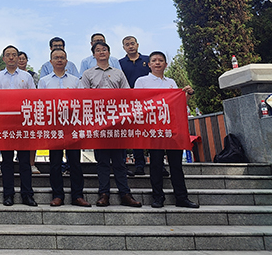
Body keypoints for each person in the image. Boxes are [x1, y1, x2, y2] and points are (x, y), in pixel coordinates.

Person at [79, 41, 141, 208]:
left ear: (109, 53)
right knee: (102, 161)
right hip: (98, 123)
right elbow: (84, 97)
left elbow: (127, 94)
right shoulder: (87, 74)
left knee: (120, 161)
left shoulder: (118, 73)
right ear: (94, 55)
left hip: (116, 122)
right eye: (98, 50)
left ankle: (125, 194)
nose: (101, 52)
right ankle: (104, 194)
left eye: (104, 50)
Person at [135, 51, 199, 209]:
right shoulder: (142, 81)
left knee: (176, 164)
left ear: (165, 64)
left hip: (172, 128)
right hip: (154, 129)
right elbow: (137, 103)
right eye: (154, 60)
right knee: (156, 164)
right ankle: (158, 197)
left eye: (160, 60)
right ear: (149, 64)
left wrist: (187, 95)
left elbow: (178, 104)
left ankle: (181, 197)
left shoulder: (171, 82)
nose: (157, 63)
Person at [38, 48, 90, 207]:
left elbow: (81, 102)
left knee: (75, 162)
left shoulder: (75, 81)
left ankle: (77, 195)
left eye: (62, 58)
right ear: (51, 62)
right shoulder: (44, 81)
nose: (59, 60)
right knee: (55, 162)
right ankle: (57, 195)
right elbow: (40, 102)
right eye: (56, 58)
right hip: (53, 126)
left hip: (72, 125)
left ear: (66, 61)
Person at [0, 45, 37, 207]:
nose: (11, 57)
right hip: (5, 124)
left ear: (18, 58)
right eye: (8, 55)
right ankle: (8, 194)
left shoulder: (27, 76)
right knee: (7, 161)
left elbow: (33, 98)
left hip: (23, 123)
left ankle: (27, 195)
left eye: (14, 55)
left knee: (24, 161)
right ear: (3, 58)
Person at [119, 36, 151, 176]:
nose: (130, 46)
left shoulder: (148, 60)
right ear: (124, 48)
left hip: (148, 102)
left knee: (151, 133)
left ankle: (159, 165)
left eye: (132, 43)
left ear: (137, 44)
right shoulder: (120, 63)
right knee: (135, 134)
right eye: (127, 44)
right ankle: (139, 164)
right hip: (129, 103)